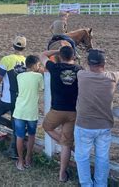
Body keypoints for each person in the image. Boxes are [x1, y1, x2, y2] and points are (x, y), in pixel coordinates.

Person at [74, 49, 119, 187]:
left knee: (82, 157)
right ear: (104, 63)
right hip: (104, 125)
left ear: (88, 63)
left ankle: (86, 184)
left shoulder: (81, 75)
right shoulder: (111, 77)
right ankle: (101, 184)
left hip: (84, 124)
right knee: (102, 157)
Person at [40, 46, 82, 182]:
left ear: (61, 56)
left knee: (47, 127)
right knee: (66, 143)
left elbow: (42, 55)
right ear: (73, 56)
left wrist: (56, 51)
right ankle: (62, 174)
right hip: (73, 111)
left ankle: (67, 143)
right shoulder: (79, 70)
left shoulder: (55, 67)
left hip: (57, 109)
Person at [0, 36, 27, 159]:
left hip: (8, 97)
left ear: (13, 46)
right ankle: (16, 143)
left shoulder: (6, 59)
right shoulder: (26, 60)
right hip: (21, 97)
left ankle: (14, 145)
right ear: (24, 47)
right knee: (15, 120)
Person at [12, 55, 44, 170]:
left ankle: (20, 161)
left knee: (19, 136)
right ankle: (28, 158)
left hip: (19, 111)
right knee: (31, 135)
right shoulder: (38, 76)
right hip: (31, 112)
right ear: (35, 65)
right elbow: (42, 88)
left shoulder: (19, 76)